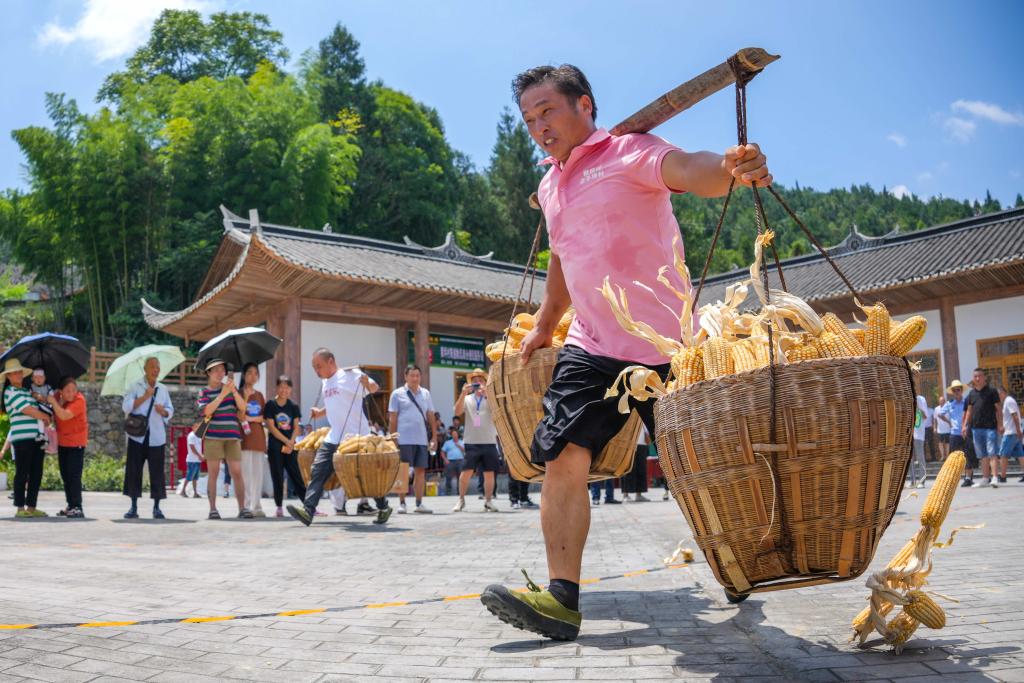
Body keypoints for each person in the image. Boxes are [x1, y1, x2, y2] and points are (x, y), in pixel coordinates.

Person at [479, 63, 773, 641]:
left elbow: (691, 170)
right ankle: (561, 598)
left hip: (668, 346)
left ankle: (737, 560)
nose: (540, 126)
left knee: (697, 470)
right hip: (591, 344)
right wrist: (545, 322)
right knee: (561, 451)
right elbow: (562, 255)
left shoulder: (630, 152)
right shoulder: (549, 185)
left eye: (549, 112)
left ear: (584, 105)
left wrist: (731, 168)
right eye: (530, 118)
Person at [287, 348, 392, 526]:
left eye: (318, 366)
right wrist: (320, 413)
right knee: (317, 471)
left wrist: (367, 382)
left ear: (331, 361)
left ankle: (383, 507)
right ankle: (308, 511)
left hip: (357, 436)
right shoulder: (326, 383)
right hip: (334, 436)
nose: (316, 371)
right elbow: (337, 404)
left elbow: (374, 388)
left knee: (364, 475)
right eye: (314, 367)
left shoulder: (351, 375)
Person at [121, 357, 174, 519]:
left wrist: (163, 411)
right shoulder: (135, 386)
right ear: (145, 369)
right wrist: (144, 396)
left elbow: (170, 410)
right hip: (137, 435)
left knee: (157, 472)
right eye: (152, 367)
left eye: (158, 367)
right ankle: (133, 507)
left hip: (156, 435)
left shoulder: (162, 388)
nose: (155, 370)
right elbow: (126, 406)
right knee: (134, 470)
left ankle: (157, 507)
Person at [198, 359, 248, 519]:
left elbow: (243, 408)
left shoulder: (230, 389)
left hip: (232, 436)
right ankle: (213, 509)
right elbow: (206, 411)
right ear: (208, 373)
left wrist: (233, 391)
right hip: (213, 436)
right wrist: (222, 395)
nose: (220, 373)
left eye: (222, 370)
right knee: (212, 473)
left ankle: (242, 508)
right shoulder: (203, 392)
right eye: (216, 370)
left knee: (237, 472)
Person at [1, 358, 51, 517]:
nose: (17, 374)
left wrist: (42, 402)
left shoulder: (28, 391)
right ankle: (20, 508)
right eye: (13, 372)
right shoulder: (10, 392)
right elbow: (28, 410)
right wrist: (44, 415)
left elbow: (38, 407)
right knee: (22, 473)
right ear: (8, 376)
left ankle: (31, 506)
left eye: (19, 371)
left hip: (37, 437)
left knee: (36, 473)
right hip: (22, 438)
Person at [388, 364, 439, 514]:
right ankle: (402, 503)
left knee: (420, 471)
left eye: (417, 375)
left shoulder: (425, 394)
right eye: (412, 375)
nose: (415, 378)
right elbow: (393, 418)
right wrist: (393, 438)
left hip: (421, 439)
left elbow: (430, 415)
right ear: (405, 376)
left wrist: (434, 437)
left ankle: (419, 503)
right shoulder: (397, 394)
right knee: (402, 471)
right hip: (403, 438)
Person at [453, 369, 500, 512]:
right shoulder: (467, 398)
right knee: (466, 471)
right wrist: (462, 394)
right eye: (475, 381)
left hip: (489, 440)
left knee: (489, 473)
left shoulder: (492, 397)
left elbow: (498, 412)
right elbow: (457, 412)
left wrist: (488, 396)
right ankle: (461, 500)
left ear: (485, 383)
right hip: (471, 441)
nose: (478, 383)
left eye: (481, 380)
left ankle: (489, 501)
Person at [47, 377, 88, 517]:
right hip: (63, 442)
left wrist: (53, 402)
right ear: (61, 391)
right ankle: (70, 504)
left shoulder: (79, 400)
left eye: (73, 390)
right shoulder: (58, 396)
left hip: (76, 443)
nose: (71, 393)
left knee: (74, 476)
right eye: (68, 391)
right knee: (65, 476)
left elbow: (64, 415)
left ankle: (78, 507)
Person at [264, 375, 303, 517]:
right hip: (275, 446)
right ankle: (279, 507)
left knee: (296, 474)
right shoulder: (270, 405)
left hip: (290, 446)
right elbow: (272, 428)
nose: (284, 390)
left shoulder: (293, 406)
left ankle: (309, 505)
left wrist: (291, 442)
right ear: (277, 388)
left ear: (290, 389)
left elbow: (296, 427)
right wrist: (286, 441)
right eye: (281, 387)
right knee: (277, 476)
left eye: (287, 387)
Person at [963, 368, 1002, 488]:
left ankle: (994, 477)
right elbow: (969, 411)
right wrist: (965, 425)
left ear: (984, 377)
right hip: (976, 428)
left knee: (992, 453)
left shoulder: (992, 391)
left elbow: (998, 409)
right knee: (982, 455)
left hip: (990, 427)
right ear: (973, 378)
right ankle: (985, 478)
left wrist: (1000, 424)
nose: (977, 378)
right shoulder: (971, 394)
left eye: (980, 376)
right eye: (975, 376)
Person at [238, 363, 268, 517]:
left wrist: (251, 418)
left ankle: (257, 505)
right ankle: (246, 506)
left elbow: (264, 417)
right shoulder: (238, 393)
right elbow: (239, 415)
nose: (253, 376)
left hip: (258, 439)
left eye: (256, 373)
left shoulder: (260, 395)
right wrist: (245, 397)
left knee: (257, 474)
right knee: (245, 474)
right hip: (244, 439)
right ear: (243, 375)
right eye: (249, 372)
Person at [935, 380, 971, 486]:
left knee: (967, 455)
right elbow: (940, 414)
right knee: (953, 457)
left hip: (965, 432)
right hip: (954, 433)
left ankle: (968, 477)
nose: (956, 392)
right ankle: (952, 479)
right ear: (952, 392)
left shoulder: (967, 402)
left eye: (958, 390)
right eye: (954, 390)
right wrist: (949, 422)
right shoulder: (949, 404)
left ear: (961, 390)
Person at [997, 386, 1022, 483]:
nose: (998, 398)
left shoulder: (1008, 401)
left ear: (1002, 392)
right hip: (1013, 432)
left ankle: (1003, 477)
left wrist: (1018, 430)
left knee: (1003, 455)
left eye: (998, 395)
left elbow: (1014, 416)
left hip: (1010, 433)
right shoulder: (1009, 401)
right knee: (1020, 455)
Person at [622, 427, 651, 502]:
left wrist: (647, 434)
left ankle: (639, 494)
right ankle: (626, 495)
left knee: (641, 469)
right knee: (628, 469)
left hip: (642, 443)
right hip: (629, 442)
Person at [28, 368, 55, 450]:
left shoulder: (48, 387)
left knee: (39, 415)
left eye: (41, 377)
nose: (39, 379)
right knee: (40, 421)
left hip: (47, 408)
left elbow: (52, 399)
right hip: (38, 409)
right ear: (32, 379)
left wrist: (43, 398)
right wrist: (33, 395)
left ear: (45, 378)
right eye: (36, 377)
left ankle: (41, 434)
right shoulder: (31, 388)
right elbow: (29, 398)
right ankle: (46, 440)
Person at [910, 392, 930, 488]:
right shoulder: (906, 398)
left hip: (918, 434)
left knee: (920, 458)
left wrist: (916, 405)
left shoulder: (921, 399)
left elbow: (925, 416)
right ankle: (912, 481)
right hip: (909, 434)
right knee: (909, 459)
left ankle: (921, 481)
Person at [441, 426, 465, 496]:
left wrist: (459, 446)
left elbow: (465, 451)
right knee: (448, 477)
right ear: (451, 435)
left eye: (456, 434)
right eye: (453, 434)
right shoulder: (447, 443)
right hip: (450, 462)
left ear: (458, 435)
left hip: (460, 461)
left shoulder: (461, 442)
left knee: (460, 477)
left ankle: (460, 492)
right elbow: (442, 452)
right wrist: (445, 459)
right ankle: (448, 491)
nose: (455, 435)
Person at [183, 422, 203, 498]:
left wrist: (200, 456)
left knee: (195, 478)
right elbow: (192, 447)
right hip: (192, 460)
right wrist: (199, 455)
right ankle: (183, 491)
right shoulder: (191, 436)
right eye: (197, 427)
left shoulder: (199, 436)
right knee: (189, 476)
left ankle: (195, 493)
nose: (198, 429)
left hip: (197, 460)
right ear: (193, 427)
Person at [934, 394, 951, 461]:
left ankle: (947, 456)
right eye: (941, 400)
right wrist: (934, 427)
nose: (942, 401)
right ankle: (942, 456)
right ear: (939, 401)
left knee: (947, 443)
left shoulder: (948, 408)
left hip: (948, 429)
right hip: (940, 429)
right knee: (940, 443)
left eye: (943, 400)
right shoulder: (936, 409)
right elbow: (935, 419)